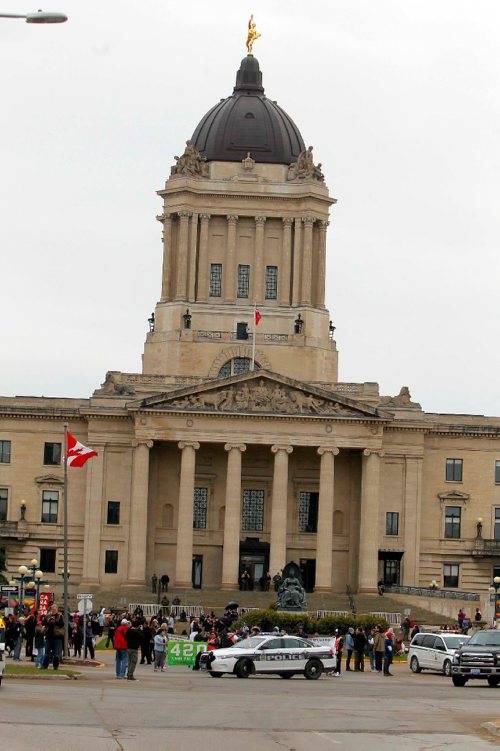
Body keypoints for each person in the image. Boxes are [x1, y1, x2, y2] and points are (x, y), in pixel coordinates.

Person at [42, 604, 65, 670]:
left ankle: (55, 667)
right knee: (46, 653)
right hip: (49, 637)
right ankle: (44, 666)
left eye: (54, 609)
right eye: (52, 609)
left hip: (57, 637)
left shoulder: (60, 616)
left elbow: (62, 624)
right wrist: (48, 621)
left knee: (56, 654)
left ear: (57, 609)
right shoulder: (48, 616)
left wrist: (55, 622)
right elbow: (43, 622)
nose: (53, 610)